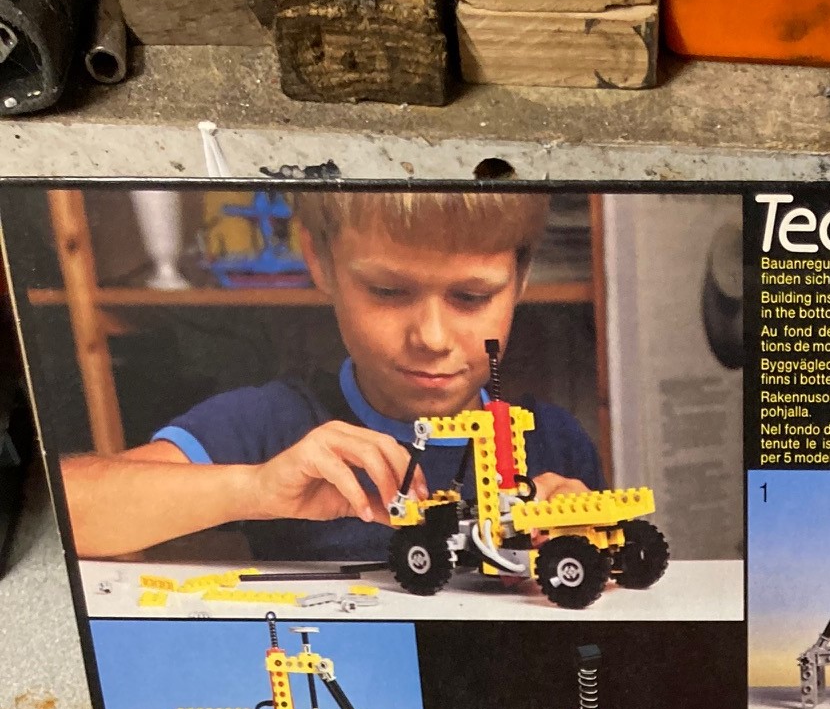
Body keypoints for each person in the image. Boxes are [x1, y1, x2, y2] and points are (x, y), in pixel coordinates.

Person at [61, 189, 603, 564]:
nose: (432, 338)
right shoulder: (273, 425)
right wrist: (254, 487)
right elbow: (67, 511)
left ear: (520, 276)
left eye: (472, 296)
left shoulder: (555, 443)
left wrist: (581, 534)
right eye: (388, 291)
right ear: (317, 258)